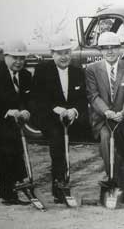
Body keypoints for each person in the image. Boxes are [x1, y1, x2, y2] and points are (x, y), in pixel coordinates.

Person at [31, 33, 89, 203]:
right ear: (52, 54)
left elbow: (83, 99)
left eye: (67, 52)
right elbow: (38, 98)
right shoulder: (42, 70)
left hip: (72, 117)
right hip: (51, 117)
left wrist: (74, 111)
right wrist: (57, 110)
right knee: (57, 144)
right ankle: (59, 189)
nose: (64, 57)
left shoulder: (78, 72)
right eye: (59, 53)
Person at [0, 40, 32, 206]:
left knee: (15, 143)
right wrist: (7, 112)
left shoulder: (25, 75)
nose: (19, 61)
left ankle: (18, 182)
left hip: (16, 118)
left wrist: (26, 110)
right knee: (7, 142)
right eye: (15, 57)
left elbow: (28, 99)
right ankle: (8, 193)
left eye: (22, 58)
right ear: (6, 56)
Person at [85, 32, 124, 203]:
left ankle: (121, 192)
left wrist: (123, 113)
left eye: (113, 47)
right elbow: (93, 96)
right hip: (103, 119)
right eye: (105, 48)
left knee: (121, 154)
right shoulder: (92, 70)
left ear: (119, 48)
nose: (110, 51)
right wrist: (107, 112)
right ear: (100, 50)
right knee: (107, 141)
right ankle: (112, 183)